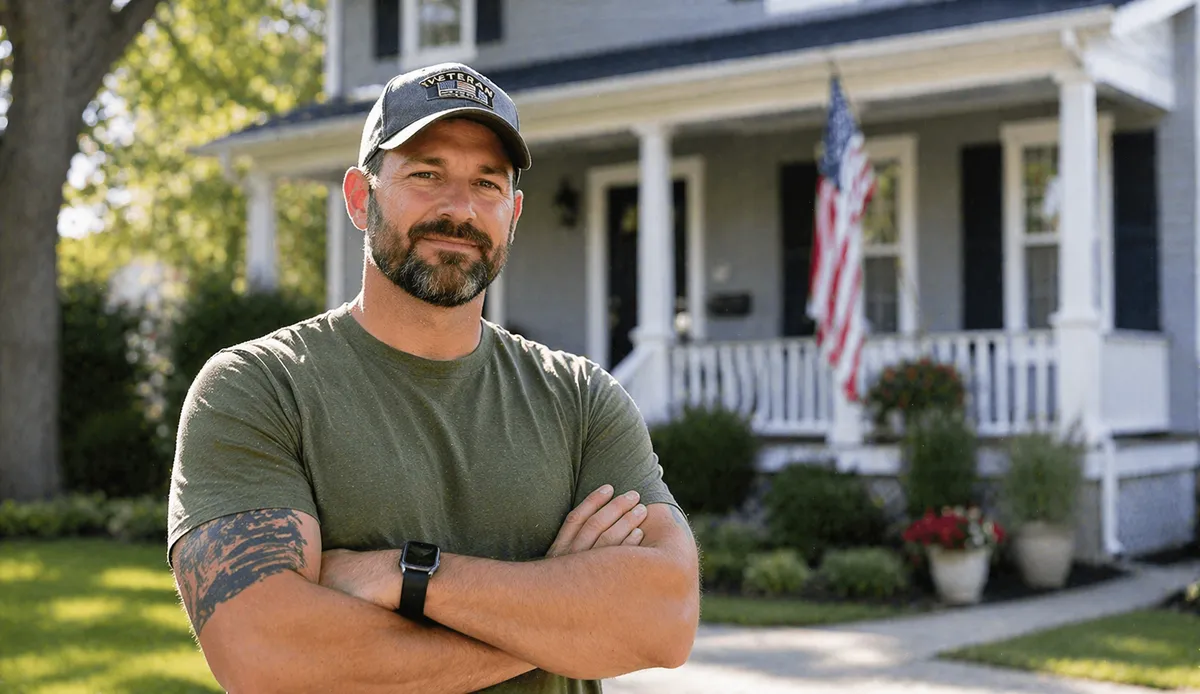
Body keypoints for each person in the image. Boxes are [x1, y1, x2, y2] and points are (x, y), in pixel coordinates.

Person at [166, 61, 700, 693]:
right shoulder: (260, 388)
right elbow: (267, 655)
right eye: (426, 174)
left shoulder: (579, 400)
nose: (459, 209)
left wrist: (408, 575)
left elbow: (663, 620)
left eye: (487, 183)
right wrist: (559, 617)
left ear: (514, 212)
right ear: (361, 199)